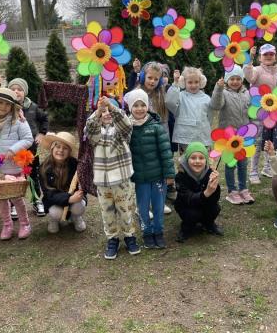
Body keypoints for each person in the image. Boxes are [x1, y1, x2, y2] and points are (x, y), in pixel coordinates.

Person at [85, 96, 140, 259]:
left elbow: (126, 123)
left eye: (110, 110)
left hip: (122, 180)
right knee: (107, 212)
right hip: (103, 182)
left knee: (126, 210)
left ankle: (129, 236)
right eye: (104, 112)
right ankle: (112, 239)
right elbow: (90, 127)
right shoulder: (96, 134)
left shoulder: (121, 132)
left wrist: (111, 106)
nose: (107, 113)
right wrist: (98, 111)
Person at [128, 89, 175, 249]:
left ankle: (158, 232)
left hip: (158, 176)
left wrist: (169, 174)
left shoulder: (156, 127)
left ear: (147, 106)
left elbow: (166, 152)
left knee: (158, 206)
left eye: (143, 105)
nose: (139, 109)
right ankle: (147, 232)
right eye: (136, 105)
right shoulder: (127, 128)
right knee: (142, 207)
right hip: (140, 178)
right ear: (130, 108)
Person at [0, 87, 33, 240]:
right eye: (0, 102)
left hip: (13, 167)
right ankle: (7, 224)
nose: (3, 107)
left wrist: (13, 149)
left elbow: (28, 139)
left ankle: (25, 223)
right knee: (2, 198)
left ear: (12, 106)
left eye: (7, 104)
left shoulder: (18, 121)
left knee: (16, 197)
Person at [210, 65, 253, 205]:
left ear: (242, 80)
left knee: (243, 163)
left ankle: (243, 189)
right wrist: (218, 88)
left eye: (238, 79)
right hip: (228, 137)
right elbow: (216, 105)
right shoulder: (224, 93)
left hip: (243, 136)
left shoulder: (246, 93)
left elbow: (250, 112)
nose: (235, 82)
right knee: (230, 164)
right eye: (232, 79)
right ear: (227, 80)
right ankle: (232, 191)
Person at [6, 77, 48, 218]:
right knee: (13, 177)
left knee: (32, 175)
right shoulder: (6, 107)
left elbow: (44, 119)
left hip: (30, 150)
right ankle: (14, 204)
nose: (16, 91)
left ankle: (36, 200)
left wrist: (41, 133)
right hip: (12, 150)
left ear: (25, 92)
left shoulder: (33, 107)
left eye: (19, 89)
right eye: (13, 89)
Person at [244, 44, 277, 183]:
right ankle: (253, 171)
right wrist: (250, 58)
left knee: (270, 140)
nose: (268, 56)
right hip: (258, 112)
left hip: (274, 113)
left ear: (275, 56)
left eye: (271, 54)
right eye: (265, 54)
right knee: (257, 141)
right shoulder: (256, 70)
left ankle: (267, 167)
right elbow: (249, 77)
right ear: (260, 57)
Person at [39, 132, 87, 233]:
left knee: (79, 206)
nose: (61, 150)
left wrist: (78, 194)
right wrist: (68, 198)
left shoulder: (75, 165)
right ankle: (54, 220)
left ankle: (75, 217)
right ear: (52, 148)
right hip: (55, 201)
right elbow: (48, 193)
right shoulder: (44, 168)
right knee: (55, 212)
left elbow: (83, 185)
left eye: (65, 148)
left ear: (69, 151)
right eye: (58, 147)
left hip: (74, 200)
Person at [174, 142, 222, 242]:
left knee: (215, 208)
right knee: (193, 214)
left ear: (206, 160)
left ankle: (209, 224)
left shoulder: (209, 173)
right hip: (187, 206)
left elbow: (215, 199)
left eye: (201, 158)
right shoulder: (180, 176)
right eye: (193, 158)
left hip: (204, 204)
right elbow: (188, 198)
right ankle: (186, 228)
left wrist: (215, 187)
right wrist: (207, 192)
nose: (197, 161)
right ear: (187, 159)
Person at [166, 67, 212, 151]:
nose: (193, 85)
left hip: (202, 138)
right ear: (183, 82)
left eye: (196, 82)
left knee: (202, 158)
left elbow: (210, 118)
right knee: (186, 159)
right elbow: (170, 102)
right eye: (190, 82)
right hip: (185, 139)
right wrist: (175, 83)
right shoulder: (180, 96)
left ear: (201, 82)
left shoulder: (206, 98)